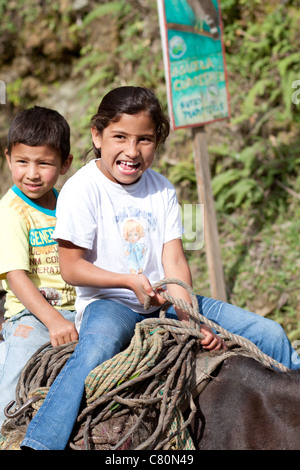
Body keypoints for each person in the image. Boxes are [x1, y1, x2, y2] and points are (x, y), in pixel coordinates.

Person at [21, 87, 300, 450]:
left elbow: (174, 261)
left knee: (270, 332)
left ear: (157, 142)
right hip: (111, 303)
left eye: (145, 140)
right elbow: (72, 268)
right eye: (120, 137)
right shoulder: (81, 189)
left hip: (166, 300)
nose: (132, 151)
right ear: (97, 135)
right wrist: (126, 281)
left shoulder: (162, 190)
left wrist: (189, 315)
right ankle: (40, 443)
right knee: (94, 351)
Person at [0, 106, 78, 429]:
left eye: (44, 163)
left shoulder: (69, 204)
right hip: (31, 317)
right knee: (10, 392)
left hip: (79, 309)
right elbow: (16, 278)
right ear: (8, 159)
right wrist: (54, 320)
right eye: (22, 162)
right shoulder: (12, 211)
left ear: (65, 164)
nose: (32, 173)